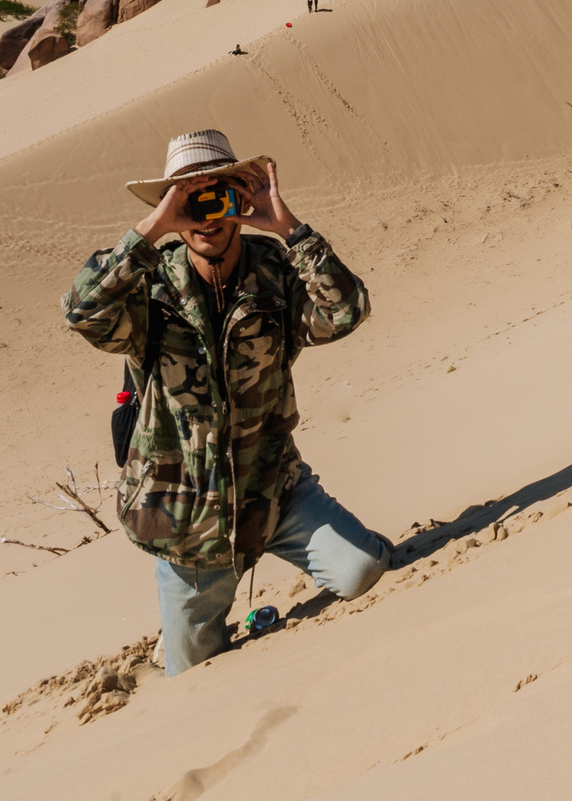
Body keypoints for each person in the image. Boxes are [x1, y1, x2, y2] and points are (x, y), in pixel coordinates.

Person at [62, 129, 394, 674]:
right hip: (187, 523)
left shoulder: (276, 274)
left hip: (272, 492)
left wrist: (287, 227)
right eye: (193, 200)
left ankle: (347, 544)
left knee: (363, 572)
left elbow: (347, 311)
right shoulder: (149, 290)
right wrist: (153, 228)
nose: (208, 216)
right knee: (191, 672)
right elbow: (81, 311)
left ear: (240, 199)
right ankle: (178, 635)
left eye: (221, 196)